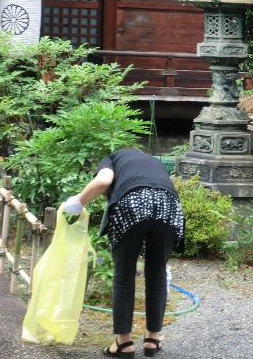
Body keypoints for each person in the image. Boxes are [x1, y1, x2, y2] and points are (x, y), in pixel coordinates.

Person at [62, 147, 185, 358]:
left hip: (132, 203)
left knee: (124, 276)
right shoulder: (153, 161)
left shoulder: (113, 158)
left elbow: (103, 182)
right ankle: (152, 340)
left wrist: (77, 203)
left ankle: (124, 344)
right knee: (157, 276)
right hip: (169, 206)